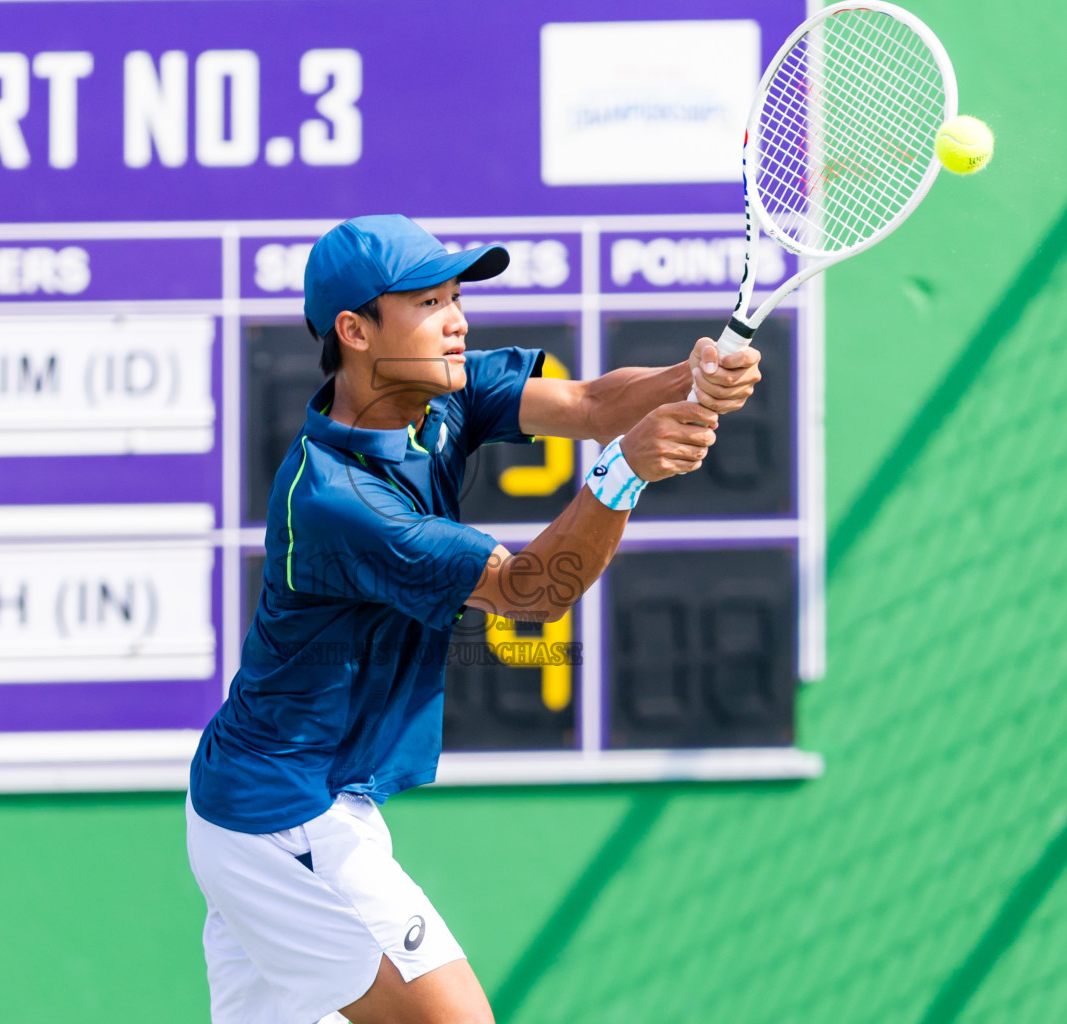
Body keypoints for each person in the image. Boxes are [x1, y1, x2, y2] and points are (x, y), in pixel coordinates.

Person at [186, 214, 762, 1024]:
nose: (458, 318)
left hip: (278, 806)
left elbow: (593, 401)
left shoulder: (435, 403)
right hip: (283, 815)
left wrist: (692, 374)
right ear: (355, 330)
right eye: (429, 302)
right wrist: (622, 473)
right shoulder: (338, 501)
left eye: (456, 296)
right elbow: (532, 591)